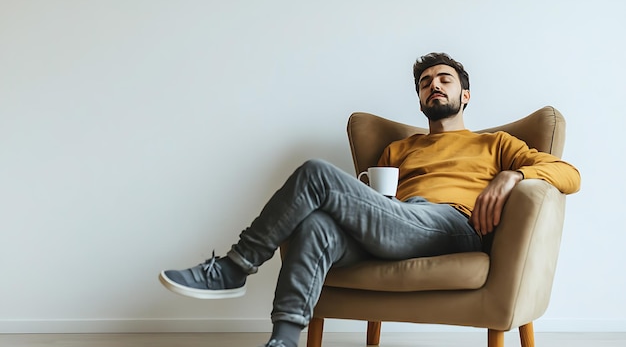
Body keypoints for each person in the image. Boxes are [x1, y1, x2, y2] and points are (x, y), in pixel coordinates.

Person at [159, 52, 581, 347]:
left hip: (452, 226)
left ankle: (236, 266)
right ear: (419, 99)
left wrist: (512, 174)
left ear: (464, 94)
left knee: (315, 173)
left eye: (443, 79)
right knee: (316, 226)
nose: (434, 85)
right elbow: (377, 202)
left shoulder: (496, 143)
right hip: (398, 221)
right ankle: (283, 340)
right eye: (425, 83)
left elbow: (570, 174)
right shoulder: (399, 149)